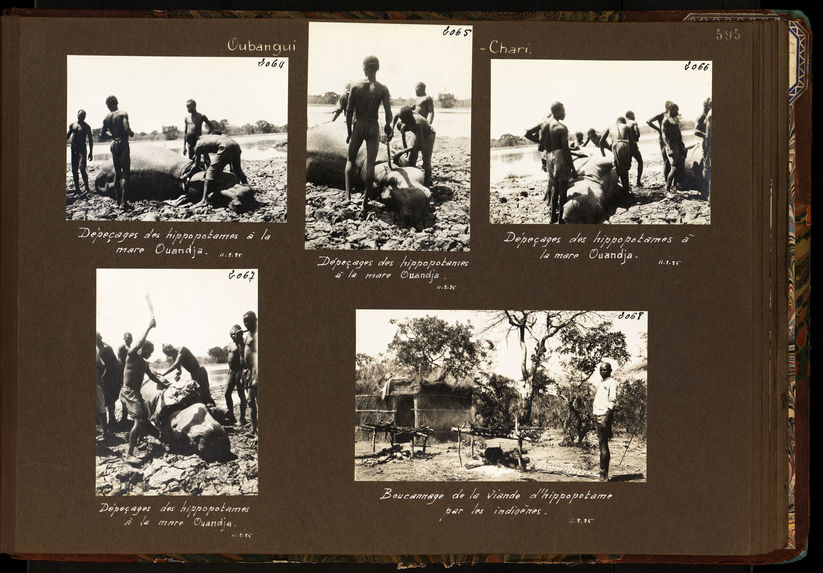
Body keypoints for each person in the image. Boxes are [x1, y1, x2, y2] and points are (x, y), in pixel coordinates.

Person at [345, 55, 392, 212]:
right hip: (373, 125)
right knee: (370, 164)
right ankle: (365, 200)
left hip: (359, 124)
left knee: (350, 159)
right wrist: (388, 127)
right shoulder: (382, 89)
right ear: (377, 68)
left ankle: (347, 197)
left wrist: (349, 131)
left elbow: (349, 111)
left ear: (364, 67)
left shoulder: (355, 86)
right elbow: (388, 113)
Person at [121, 318, 168, 464]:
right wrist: (148, 327)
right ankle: (129, 454)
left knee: (145, 420)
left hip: (136, 393)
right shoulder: (132, 356)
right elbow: (140, 342)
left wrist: (165, 385)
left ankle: (152, 440)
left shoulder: (144, 364)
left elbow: (153, 377)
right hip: (128, 392)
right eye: (149, 351)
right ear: (141, 349)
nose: (150, 354)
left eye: (151, 352)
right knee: (139, 420)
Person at [539, 102, 577, 224]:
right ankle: (561, 219)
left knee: (554, 187)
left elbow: (540, 142)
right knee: (563, 188)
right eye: (563, 110)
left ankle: (552, 218)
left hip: (549, 156)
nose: (564, 113)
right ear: (557, 111)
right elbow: (566, 150)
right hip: (559, 156)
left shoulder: (544, 126)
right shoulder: (561, 128)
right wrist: (573, 167)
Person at [192, 133, 248, 206]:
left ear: (191, 141)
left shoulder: (198, 145)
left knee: (210, 172)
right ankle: (248, 188)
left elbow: (196, 166)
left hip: (225, 146)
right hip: (235, 144)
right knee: (237, 169)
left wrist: (186, 175)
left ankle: (204, 200)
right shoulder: (204, 137)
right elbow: (207, 157)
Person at [100, 95, 134, 210]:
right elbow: (127, 129)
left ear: (109, 105)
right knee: (126, 174)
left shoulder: (107, 118)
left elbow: (102, 135)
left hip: (113, 144)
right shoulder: (122, 113)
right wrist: (131, 133)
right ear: (117, 102)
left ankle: (117, 202)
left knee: (117, 173)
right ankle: (124, 203)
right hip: (123, 144)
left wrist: (113, 136)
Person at [390, 106, 436, 187]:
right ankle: (413, 179)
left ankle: (427, 182)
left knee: (426, 160)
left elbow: (420, 146)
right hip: (418, 133)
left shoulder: (417, 124)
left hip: (429, 134)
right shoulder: (403, 124)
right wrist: (391, 129)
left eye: (403, 119)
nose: (401, 121)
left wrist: (401, 152)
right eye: (401, 119)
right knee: (411, 159)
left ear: (409, 119)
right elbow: (396, 117)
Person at [592, 362, 618, 481]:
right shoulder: (603, 382)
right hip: (598, 415)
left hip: (604, 416)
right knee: (601, 444)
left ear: (610, 370)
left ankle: (604, 475)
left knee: (603, 445)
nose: (602, 372)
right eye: (600, 370)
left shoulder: (612, 383)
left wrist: (606, 419)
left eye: (604, 370)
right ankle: (602, 473)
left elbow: (612, 402)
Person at [599, 117, 634, 199]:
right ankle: (626, 191)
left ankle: (625, 191)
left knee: (620, 168)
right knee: (625, 169)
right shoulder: (627, 126)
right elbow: (632, 141)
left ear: (617, 121)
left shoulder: (610, 126)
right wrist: (630, 156)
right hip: (626, 144)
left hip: (616, 145)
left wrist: (603, 154)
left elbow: (601, 142)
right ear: (623, 122)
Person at [96, 332, 122, 430]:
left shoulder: (107, 348)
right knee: (102, 401)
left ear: (100, 338)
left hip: (109, 378)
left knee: (110, 400)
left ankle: (112, 421)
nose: (96, 341)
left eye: (97, 339)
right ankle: (103, 422)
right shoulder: (97, 348)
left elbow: (111, 365)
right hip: (101, 377)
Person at [224, 324, 247, 426]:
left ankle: (242, 419)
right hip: (231, 371)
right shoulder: (230, 344)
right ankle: (231, 417)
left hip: (239, 371)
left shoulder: (241, 343)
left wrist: (240, 340)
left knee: (241, 394)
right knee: (226, 393)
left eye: (234, 333)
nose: (232, 335)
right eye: (231, 333)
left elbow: (243, 358)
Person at [66, 109, 93, 194]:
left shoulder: (86, 127)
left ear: (85, 117)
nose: (80, 117)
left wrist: (91, 152)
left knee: (82, 168)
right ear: (77, 115)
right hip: (73, 149)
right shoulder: (72, 125)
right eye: (79, 115)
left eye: (82, 116)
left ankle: (87, 188)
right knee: (74, 170)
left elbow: (90, 140)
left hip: (82, 149)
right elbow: (67, 136)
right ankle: (77, 189)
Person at [646, 101, 674, 184]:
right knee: (666, 161)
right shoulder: (661, 115)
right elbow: (648, 121)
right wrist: (658, 129)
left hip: (672, 139)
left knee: (675, 161)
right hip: (663, 139)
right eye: (671, 107)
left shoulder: (672, 114)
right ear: (667, 108)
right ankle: (667, 182)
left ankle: (673, 182)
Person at [661, 102, 685, 193]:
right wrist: (668, 148)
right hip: (671, 146)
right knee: (673, 168)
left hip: (678, 145)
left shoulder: (675, 119)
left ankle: (674, 188)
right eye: (676, 110)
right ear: (670, 110)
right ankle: (667, 190)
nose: (677, 112)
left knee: (678, 167)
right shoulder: (665, 120)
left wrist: (682, 145)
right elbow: (664, 136)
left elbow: (679, 134)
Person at [242, 311, 258, 438]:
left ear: (255, 319)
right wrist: (247, 371)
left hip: (257, 373)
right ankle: (254, 429)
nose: (246, 324)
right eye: (244, 322)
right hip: (251, 372)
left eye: (248, 321)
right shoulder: (248, 334)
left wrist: (256, 376)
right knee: (250, 401)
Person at [116, 332, 132, 424]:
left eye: (130, 338)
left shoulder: (132, 348)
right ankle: (123, 418)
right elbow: (119, 361)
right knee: (124, 396)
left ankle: (125, 418)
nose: (129, 339)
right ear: (124, 339)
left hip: (130, 374)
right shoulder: (122, 347)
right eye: (127, 338)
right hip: (123, 374)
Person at [624, 111, 643, 186]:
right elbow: (637, 132)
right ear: (630, 115)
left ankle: (627, 184)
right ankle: (638, 181)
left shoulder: (624, 124)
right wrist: (636, 138)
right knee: (640, 162)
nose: (634, 116)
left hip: (626, 146)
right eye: (633, 114)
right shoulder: (633, 122)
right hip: (632, 146)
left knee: (626, 166)